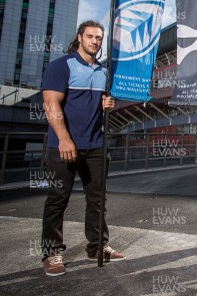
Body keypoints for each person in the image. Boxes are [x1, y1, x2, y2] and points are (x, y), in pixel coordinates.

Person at [41, 21, 125, 276]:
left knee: (97, 200)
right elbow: (50, 104)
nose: (95, 42)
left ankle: (97, 247)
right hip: (63, 145)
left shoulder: (104, 72)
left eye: (99, 38)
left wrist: (107, 104)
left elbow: (98, 104)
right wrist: (64, 138)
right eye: (90, 36)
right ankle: (52, 253)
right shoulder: (61, 66)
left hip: (95, 145)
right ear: (79, 37)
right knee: (57, 200)